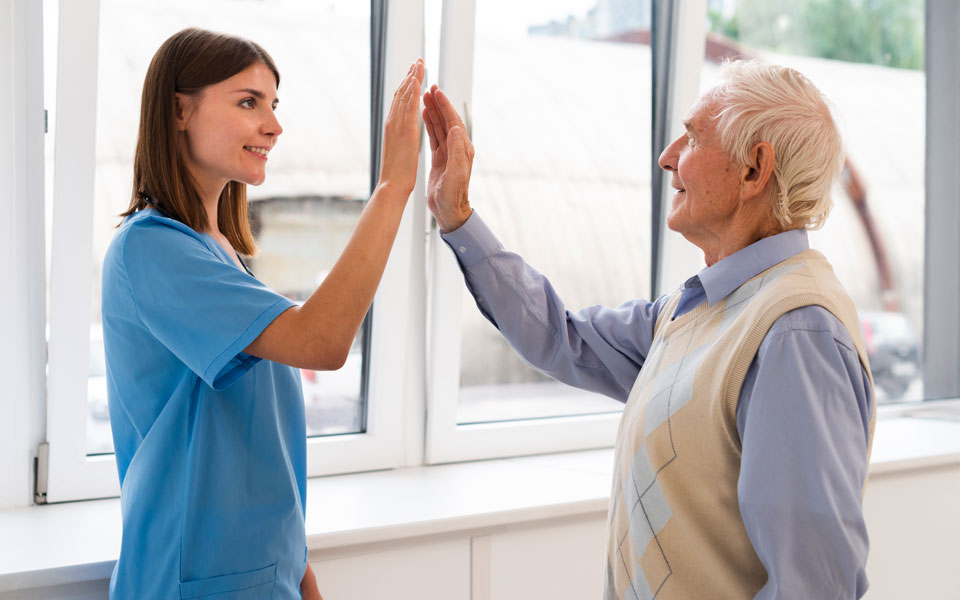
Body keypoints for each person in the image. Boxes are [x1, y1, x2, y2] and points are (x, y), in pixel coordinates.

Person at [422, 59, 875, 599]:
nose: (667, 158)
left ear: (754, 169)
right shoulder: (699, 308)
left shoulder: (796, 333)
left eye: (692, 137)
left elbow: (813, 587)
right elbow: (563, 337)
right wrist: (458, 216)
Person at [101, 28, 423, 599]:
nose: (273, 125)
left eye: (274, 105)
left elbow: (258, 447)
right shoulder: (152, 249)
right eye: (249, 102)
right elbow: (321, 340)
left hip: (264, 578)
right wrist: (394, 187)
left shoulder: (223, 254)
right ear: (179, 110)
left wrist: (300, 574)